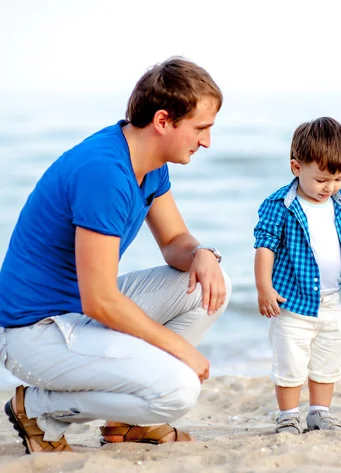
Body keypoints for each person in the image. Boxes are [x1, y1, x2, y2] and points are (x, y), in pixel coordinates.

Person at [0, 57, 232, 453]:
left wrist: (202, 254)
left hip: (79, 315)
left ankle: (126, 423)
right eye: (201, 128)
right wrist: (179, 352)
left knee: (210, 285)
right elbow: (101, 299)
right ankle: (38, 410)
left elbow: (175, 239)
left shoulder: (148, 160)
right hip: (34, 333)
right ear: (163, 121)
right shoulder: (104, 174)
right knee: (178, 390)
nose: (207, 141)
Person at [253, 117, 341, 434]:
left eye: (338, 179)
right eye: (322, 179)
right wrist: (263, 288)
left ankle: (320, 412)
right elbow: (264, 247)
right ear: (296, 167)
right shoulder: (280, 204)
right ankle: (288, 415)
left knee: (328, 360)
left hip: (334, 300)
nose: (331, 187)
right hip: (292, 302)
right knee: (290, 363)